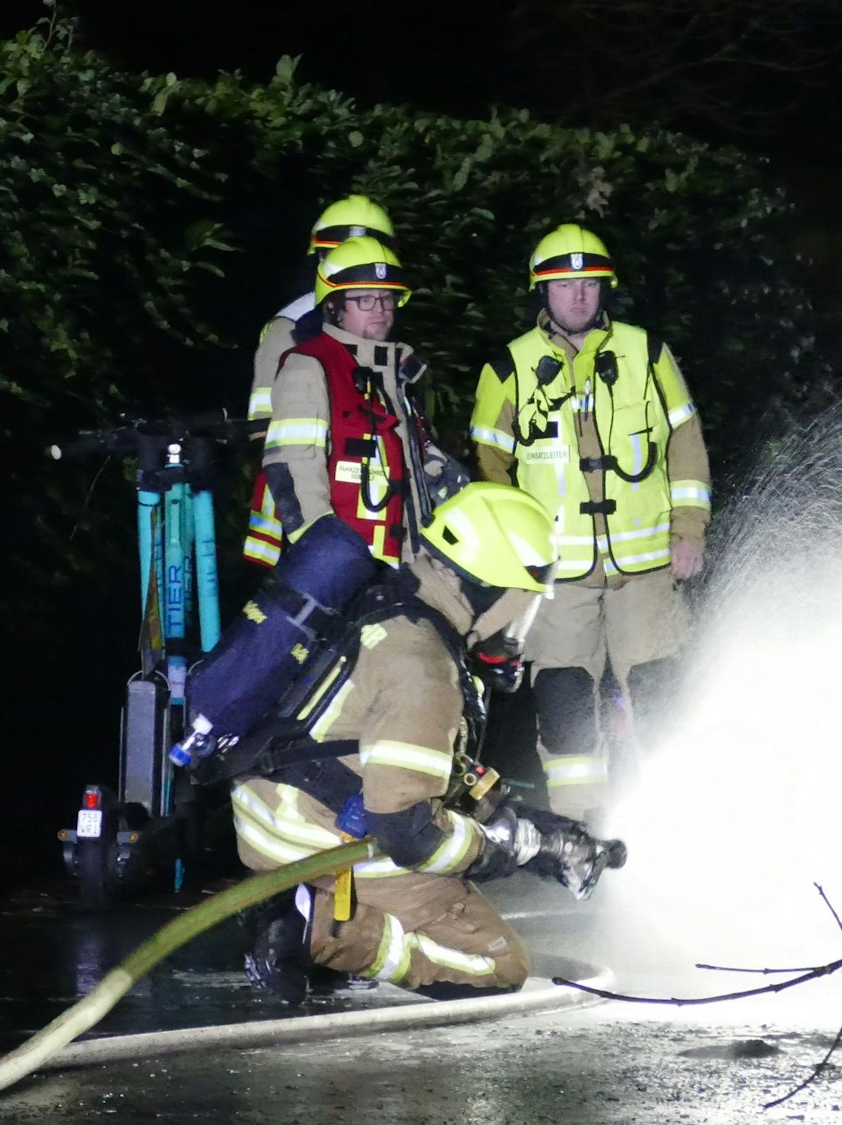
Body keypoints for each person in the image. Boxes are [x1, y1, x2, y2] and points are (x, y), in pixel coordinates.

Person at [235, 482, 620, 1001]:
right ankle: (322, 927)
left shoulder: (392, 607)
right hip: (315, 839)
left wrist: (534, 827)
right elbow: (409, 834)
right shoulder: (425, 670)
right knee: (498, 965)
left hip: (270, 809)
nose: (525, 622)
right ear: (492, 589)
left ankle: (302, 906)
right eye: (525, 601)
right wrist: (507, 849)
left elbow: (417, 761)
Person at [467, 224, 712, 824]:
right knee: (565, 703)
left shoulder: (646, 353)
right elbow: (488, 464)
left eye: (588, 283)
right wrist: (514, 556)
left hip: (647, 565)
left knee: (659, 695)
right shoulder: (509, 368)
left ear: (605, 290)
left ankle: (679, 817)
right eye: (563, 284)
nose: (577, 296)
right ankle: (579, 832)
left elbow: (685, 441)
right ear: (542, 293)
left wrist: (690, 529)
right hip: (558, 578)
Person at [256, 235, 457, 568]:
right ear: (333, 306)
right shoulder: (309, 364)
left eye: (386, 298)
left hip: (410, 560)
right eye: (364, 299)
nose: (379, 310)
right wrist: (324, 559)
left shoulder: (400, 369)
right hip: (347, 566)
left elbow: (413, 456)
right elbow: (294, 469)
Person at [243, 196, 397, 566]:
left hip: (365, 513)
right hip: (300, 518)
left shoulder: (375, 324)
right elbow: (268, 433)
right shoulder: (292, 329)